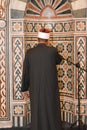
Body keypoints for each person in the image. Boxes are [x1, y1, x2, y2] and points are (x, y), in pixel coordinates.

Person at [21, 28, 63, 130]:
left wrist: (24, 89)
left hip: (35, 87)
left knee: (37, 109)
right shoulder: (52, 51)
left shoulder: (30, 52)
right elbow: (59, 60)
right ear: (47, 40)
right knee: (51, 108)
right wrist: (50, 46)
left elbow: (25, 71)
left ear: (37, 38)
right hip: (50, 87)